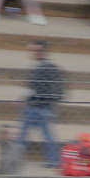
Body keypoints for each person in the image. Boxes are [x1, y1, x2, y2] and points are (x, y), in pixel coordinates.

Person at [20, 40, 64, 170]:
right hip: (41, 106)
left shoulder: (44, 67)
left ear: (41, 51)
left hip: (38, 106)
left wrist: (47, 102)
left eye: (34, 51)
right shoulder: (46, 66)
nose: (32, 53)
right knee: (47, 136)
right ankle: (54, 161)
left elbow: (38, 88)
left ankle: (16, 157)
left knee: (23, 135)